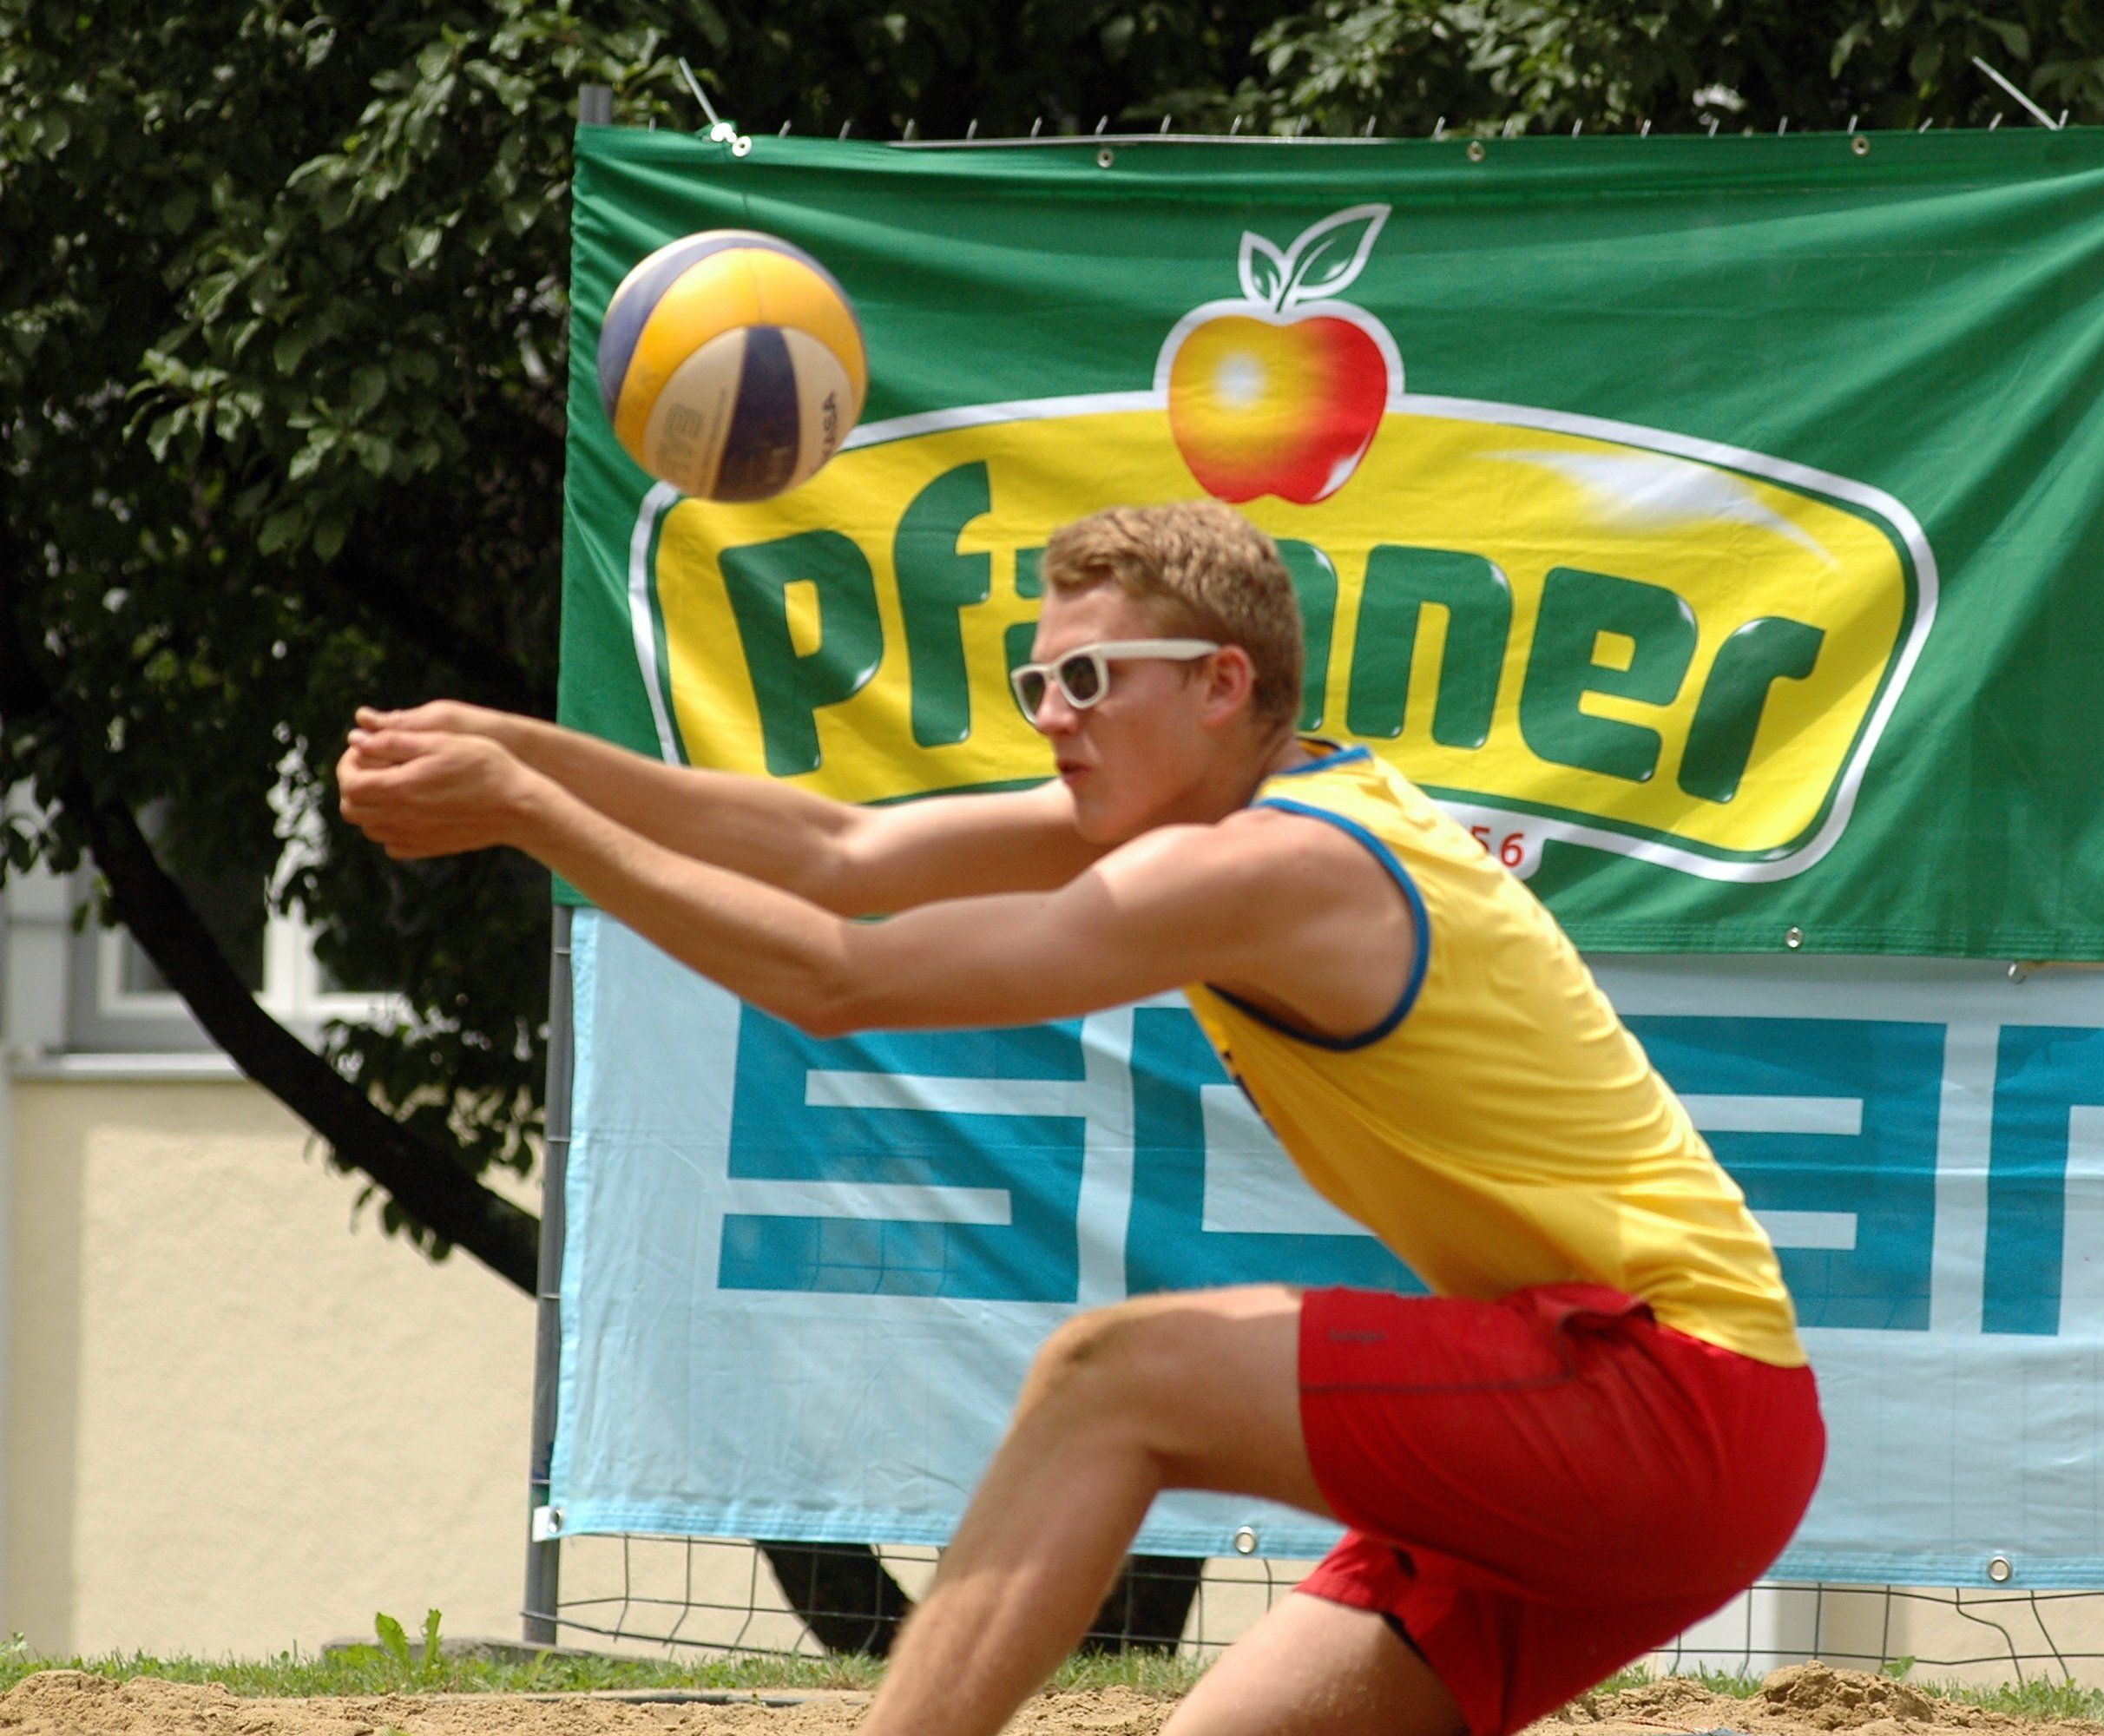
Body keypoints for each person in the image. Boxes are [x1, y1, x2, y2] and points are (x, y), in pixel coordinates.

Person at [338, 500, 1825, 1736]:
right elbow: (842, 850)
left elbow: (840, 976)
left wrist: (533, 816)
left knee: (1111, 1380)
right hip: (1665, 1430)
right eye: (1035, 682)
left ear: (1224, 684)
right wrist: (529, 750)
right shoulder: (1230, 816)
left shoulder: (1269, 865)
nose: (1053, 717)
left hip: (1670, 1403)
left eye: (1091, 680)